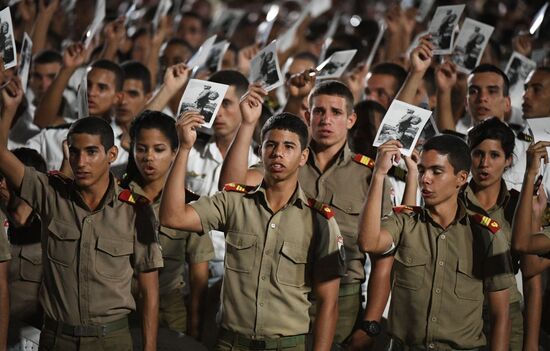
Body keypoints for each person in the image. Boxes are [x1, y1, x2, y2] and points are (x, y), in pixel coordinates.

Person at [217, 80, 394, 346]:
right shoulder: (285, 158)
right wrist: (247, 124)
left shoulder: (369, 176)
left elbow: (384, 258)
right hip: (280, 296)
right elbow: (230, 190)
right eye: (319, 111)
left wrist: (370, 324)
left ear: (350, 119)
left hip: (343, 299)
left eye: (336, 112)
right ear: (307, 115)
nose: (326, 119)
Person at [159, 108, 345, 351]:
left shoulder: (319, 220)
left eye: (289, 147)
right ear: (260, 151)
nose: (278, 153)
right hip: (231, 344)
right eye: (271, 145)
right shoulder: (233, 201)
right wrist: (183, 148)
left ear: (303, 156)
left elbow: (328, 304)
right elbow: (172, 217)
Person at [0, 79, 163, 350]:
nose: (81, 162)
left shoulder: (136, 209)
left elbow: (149, 291)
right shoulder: (51, 195)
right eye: (74, 153)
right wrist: (8, 109)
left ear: (111, 155)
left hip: (111, 340)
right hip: (57, 339)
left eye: (91, 152)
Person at [358, 135, 516, 349]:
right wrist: (379, 174)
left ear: (461, 178)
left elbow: (501, 315)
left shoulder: (487, 235)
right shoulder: (405, 222)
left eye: (436, 171)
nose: (425, 179)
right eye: (422, 170)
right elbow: (368, 243)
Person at [121, 110, 213, 337]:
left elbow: (198, 275)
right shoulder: (118, 199)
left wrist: (195, 325)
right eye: (141, 149)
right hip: (123, 310)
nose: (149, 157)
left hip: (169, 312)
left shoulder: (188, 205)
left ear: (174, 152)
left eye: (158, 149)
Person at [465, 117, 532, 350]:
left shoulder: (516, 206)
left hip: (508, 310)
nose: (484, 163)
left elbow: (531, 271)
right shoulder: (450, 201)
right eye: (478, 154)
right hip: (460, 311)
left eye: (494, 155)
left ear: (508, 160)